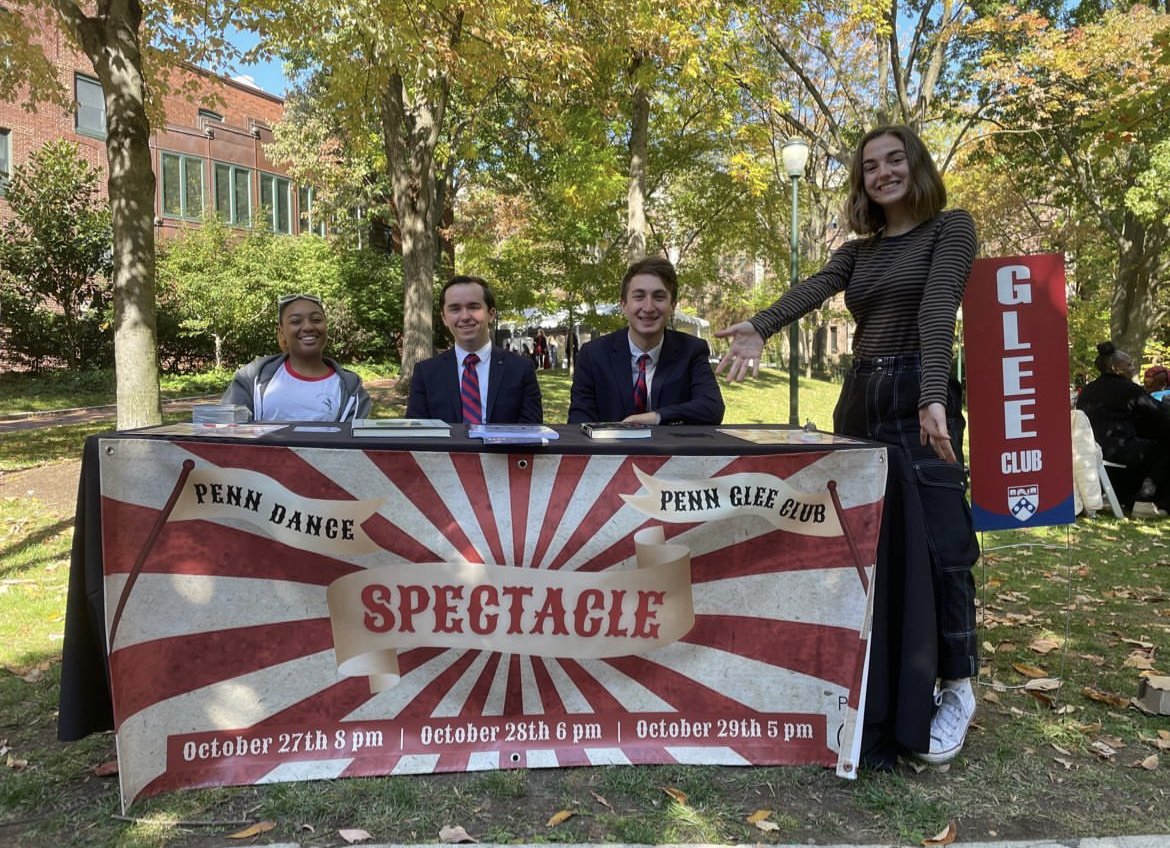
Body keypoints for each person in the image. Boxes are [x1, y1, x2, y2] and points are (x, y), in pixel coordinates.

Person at [715, 125, 980, 766]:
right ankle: (876, 672)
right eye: (870, 166)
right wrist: (760, 325)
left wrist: (934, 396)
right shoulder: (858, 253)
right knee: (864, 536)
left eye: (895, 160)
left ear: (916, 165)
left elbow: (938, 306)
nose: (883, 173)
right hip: (861, 395)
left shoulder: (953, 227)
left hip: (921, 385)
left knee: (943, 543)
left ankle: (959, 687)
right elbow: (813, 289)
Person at [568, 256, 725, 425]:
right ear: (623, 305)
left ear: (672, 305)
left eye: (659, 297)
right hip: (609, 450)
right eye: (639, 297)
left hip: (670, 450)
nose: (649, 308)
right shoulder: (593, 355)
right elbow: (579, 421)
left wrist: (657, 417)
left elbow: (712, 408)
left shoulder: (692, 350)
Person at [407, 275, 543, 424]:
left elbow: (530, 430)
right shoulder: (426, 373)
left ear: (491, 314)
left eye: (473, 307)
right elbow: (417, 434)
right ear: (444, 318)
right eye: (455, 309)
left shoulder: (521, 369)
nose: (465, 316)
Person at [221, 293, 372, 422]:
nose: (308, 327)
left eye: (316, 320)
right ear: (281, 332)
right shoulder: (252, 377)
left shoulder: (352, 391)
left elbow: (356, 447)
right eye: (295, 321)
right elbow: (224, 429)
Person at [1076, 343, 1170, 514]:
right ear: (1115, 368)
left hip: (1094, 448)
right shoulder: (1127, 388)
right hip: (1118, 448)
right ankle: (1146, 501)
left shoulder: (1089, 390)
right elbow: (1158, 413)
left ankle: (1124, 496)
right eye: (1129, 365)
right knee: (1164, 448)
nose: (1133, 369)